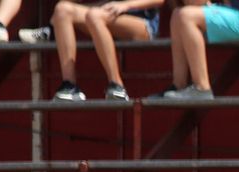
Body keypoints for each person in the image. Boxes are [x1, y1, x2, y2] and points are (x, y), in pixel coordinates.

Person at [34, 0, 162, 101]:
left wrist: (125, 5)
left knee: (94, 15)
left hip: (143, 22)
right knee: (62, 9)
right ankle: (70, 86)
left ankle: (117, 86)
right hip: (109, 13)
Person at [159, 0, 239, 100]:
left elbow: (197, 2)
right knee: (177, 14)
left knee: (186, 16)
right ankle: (178, 85)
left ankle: (202, 88)